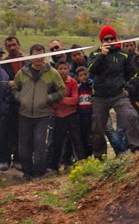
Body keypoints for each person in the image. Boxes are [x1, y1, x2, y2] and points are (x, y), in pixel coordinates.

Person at [88, 26, 139, 158]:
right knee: (98, 127)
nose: (109, 41)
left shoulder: (124, 54)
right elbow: (92, 70)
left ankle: (136, 148)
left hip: (118, 95)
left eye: (112, 38)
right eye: (106, 39)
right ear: (102, 41)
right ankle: (100, 157)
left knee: (132, 116)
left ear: (115, 38)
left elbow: (133, 74)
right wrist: (102, 55)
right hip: (100, 96)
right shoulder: (94, 54)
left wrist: (128, 88)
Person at [13, 44, 65, 179]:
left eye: (41, 55)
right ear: (31, 56)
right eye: (36, 56)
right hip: (24, 113)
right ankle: (27, 172)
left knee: (40, 143)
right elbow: (15, 88)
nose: (39, 59)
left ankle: (38, 172)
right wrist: (20, 98)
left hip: (43, 114)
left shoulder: (52, 73)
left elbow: (62, 90)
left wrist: (48, 98)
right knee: (24, 144)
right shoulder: (22, 73)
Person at [47, 61, 86, 171]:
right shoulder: (52, 83)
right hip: (58, 115)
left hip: (71, 114)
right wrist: (63, 101)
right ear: (56, 70)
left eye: (65, 68)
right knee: (57, 142)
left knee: (76, 140)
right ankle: (53, 166)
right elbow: (50, 101)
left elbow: (75, 100)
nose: (63, 71)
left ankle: (83, 163)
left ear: (68, 70)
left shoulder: (72, 82)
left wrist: (59, 99)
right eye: (60, 68)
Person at [1, 36, 23, 170]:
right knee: (5, 132)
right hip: (8, 103)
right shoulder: (3, 64)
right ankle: (4, 159)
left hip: (24, 103)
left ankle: (18, 160)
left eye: (14, 44)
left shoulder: (27, 63)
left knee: (22, 133)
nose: (12, 48)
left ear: (19, 45)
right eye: (9, 46)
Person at [75, 67, 93, 158]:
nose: (84, 77)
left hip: (92, 115)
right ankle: (83, 157)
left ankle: (91, 155)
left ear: (88, 74)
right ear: (77, 77)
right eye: (81, 75)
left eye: (85, 74)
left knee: (91, 136)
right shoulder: (77, 88)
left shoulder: (93, 86)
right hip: (81, 116)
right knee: (83, 136)